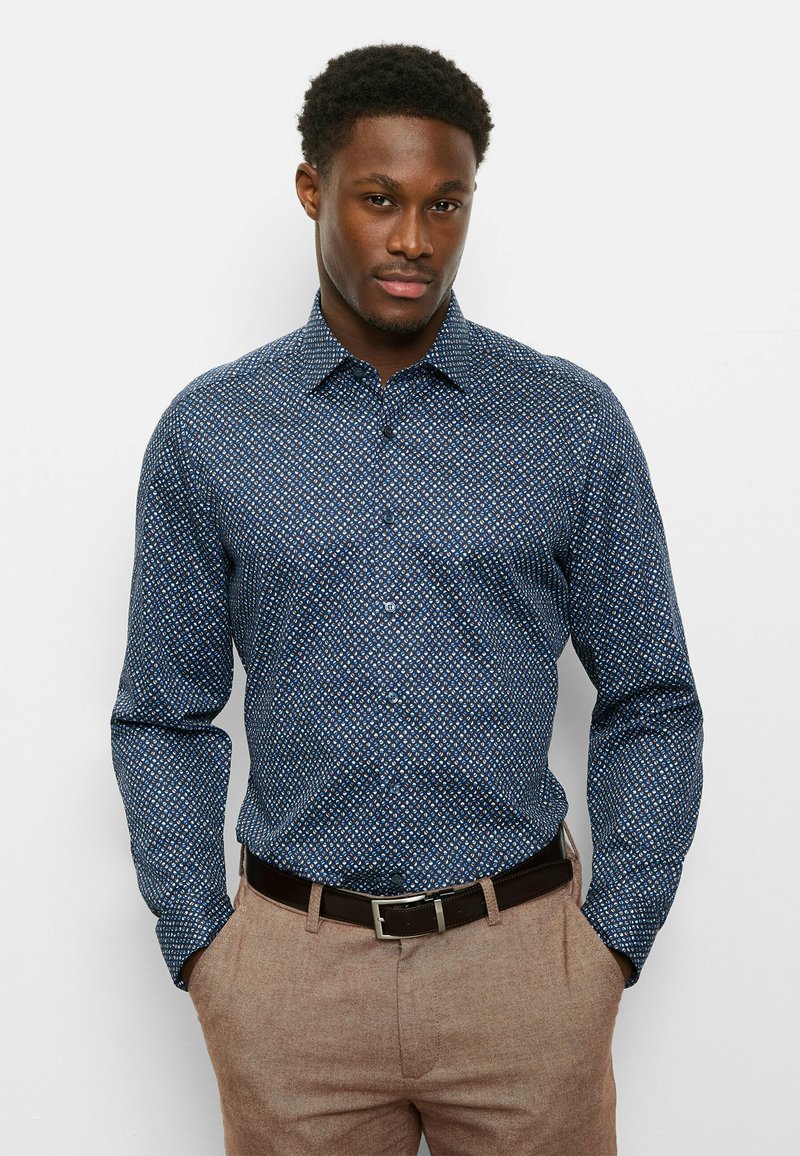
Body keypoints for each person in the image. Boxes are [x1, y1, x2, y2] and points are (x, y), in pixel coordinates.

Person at [111, 43, 703, 1156]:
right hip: (293, 982)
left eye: (445, 203)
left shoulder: (568, 422)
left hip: (523, 972)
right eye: (378, 199)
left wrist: (610, 941)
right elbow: (162, 713)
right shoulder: (211, 432)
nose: (413, 240)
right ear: (313, 191)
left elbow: (651, 698)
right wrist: (205, 947)